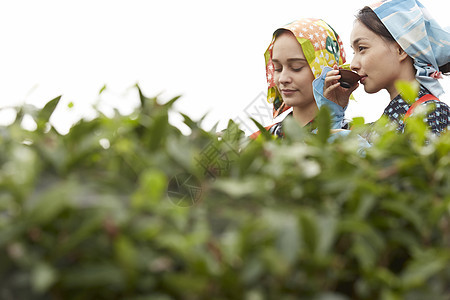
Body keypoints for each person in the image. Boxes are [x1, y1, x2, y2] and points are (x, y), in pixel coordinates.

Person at [314, 0, 450, 135]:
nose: (353, 65)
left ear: (401, 50)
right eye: (354, 52)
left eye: (362, 48)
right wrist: (334, 112)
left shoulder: (431, 112)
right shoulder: (379, 127)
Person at [250, 18, 352, 139]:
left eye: (296, 67)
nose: (282, 79)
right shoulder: (258, 140)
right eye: (277, 68)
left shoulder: (356, 138)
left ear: (324, 68)